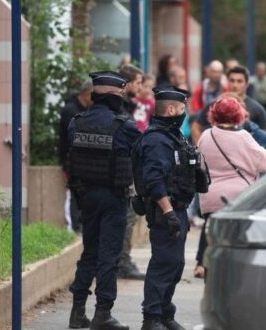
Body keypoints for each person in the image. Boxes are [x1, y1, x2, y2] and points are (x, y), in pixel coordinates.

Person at [66, 71, 141, 330]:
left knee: (90, 252)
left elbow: (72, 160)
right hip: (113, 197)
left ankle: (77, 313)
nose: (123, 98)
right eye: (121, 94)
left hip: (85, 197)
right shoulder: (125, 126)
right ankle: (102, 313)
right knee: (109, 255)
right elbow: (139, 157)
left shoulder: (76, 122)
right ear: (112, 95)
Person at [133, 85, 207, 330]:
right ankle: (151, 318)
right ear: (173, 109)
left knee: (175, 265)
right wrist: (167, 212)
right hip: (166, 211)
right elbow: (154, 181)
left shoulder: (174, 137)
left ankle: (165, 313)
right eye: (183, 108)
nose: (185, 113)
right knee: (163, 264)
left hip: (178, 209)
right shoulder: (156, 140)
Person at [194, 97, 266, 279]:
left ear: (214, 115)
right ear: (238, 115)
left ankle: (211, 279)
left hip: (211, 199)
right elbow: (263, 162)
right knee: (235, 245)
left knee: (213, 243)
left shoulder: (206, 136)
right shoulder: (243, 136)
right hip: (239, 200)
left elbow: (201, 165)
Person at [118, 64, 148, 281]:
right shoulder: (122, 110)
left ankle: (121, 260)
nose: (140, 87)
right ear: (127, 84)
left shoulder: (127, 107)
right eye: (137, 82)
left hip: (126, 169)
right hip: (125, 171)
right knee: (127, 218)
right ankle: (122, 262)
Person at [191, 66, 266, 143]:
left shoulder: (257, 109)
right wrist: (201, 147)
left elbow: (264, 137)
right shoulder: (214, 104)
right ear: (227, 82)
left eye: (239, 81)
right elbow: (196, 127)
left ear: (247, 84)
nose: (235, 85)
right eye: (232, 81)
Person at [60, 79, 93, 232]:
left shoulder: (86, 111)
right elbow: (68, 140)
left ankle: (80, 223)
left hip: (85, 160)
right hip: (72, 159)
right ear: (86, 95)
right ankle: (73, 226)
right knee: (73, 193)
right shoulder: (71, 111)